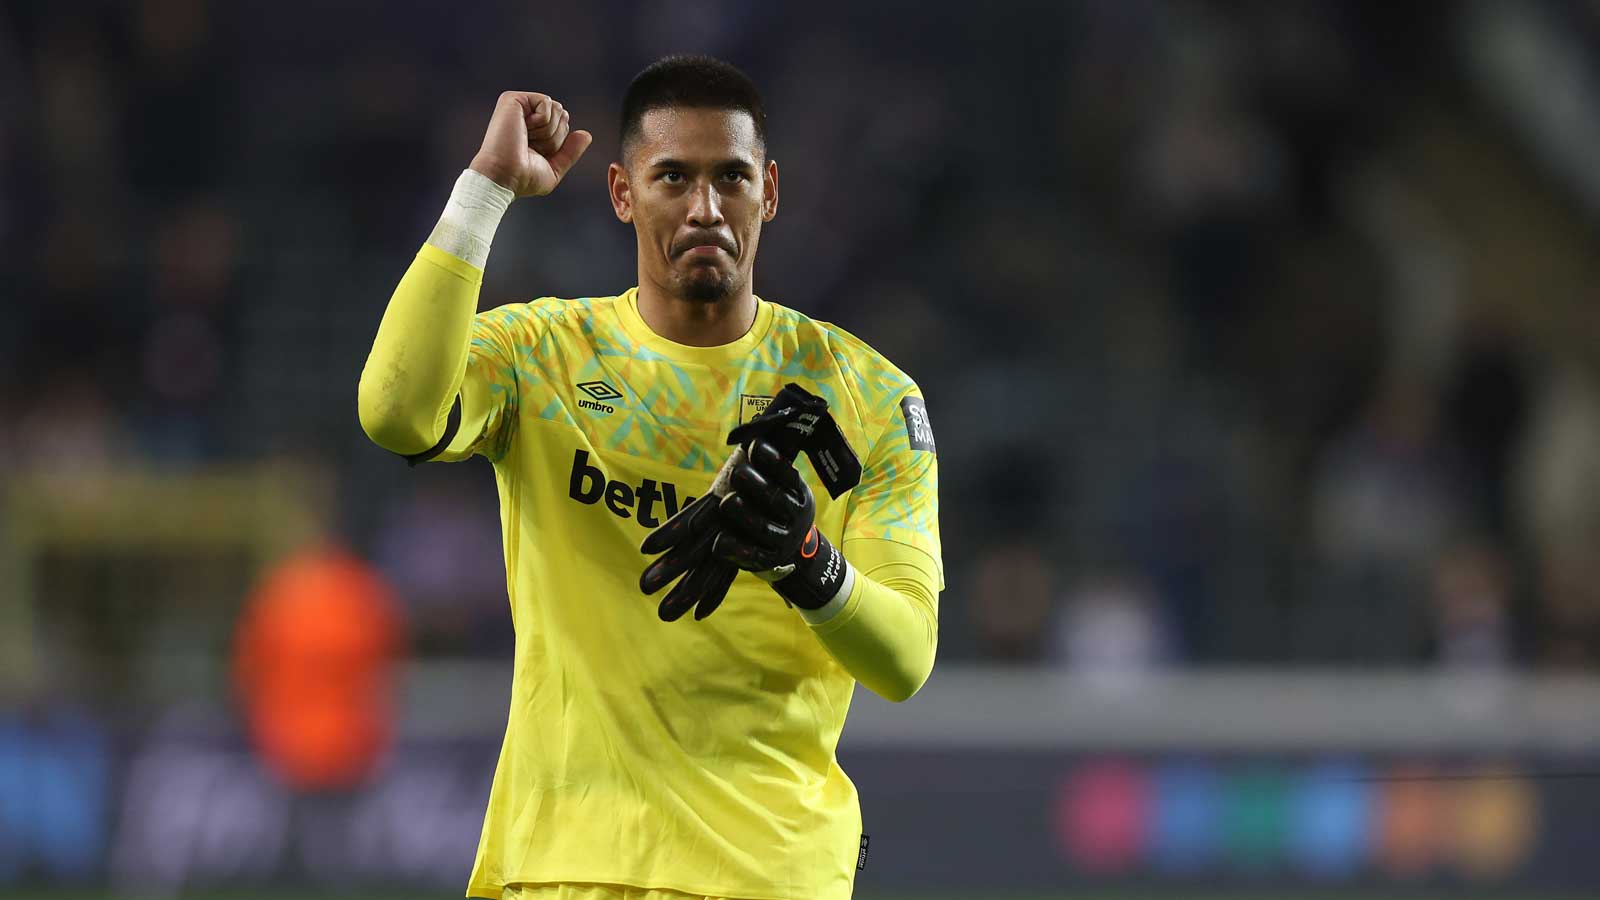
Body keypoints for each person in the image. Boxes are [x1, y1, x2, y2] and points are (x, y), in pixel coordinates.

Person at [357, 55, 941, 900]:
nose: (706, 208)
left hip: (763, 873)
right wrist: (485, 191)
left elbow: (906, 658)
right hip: (559, 865)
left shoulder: (868, 397)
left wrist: (806, 561)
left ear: (768, 192)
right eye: (673, 177)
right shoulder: (542, 357)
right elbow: (394, 410)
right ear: (624, 193)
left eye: (730, 178)